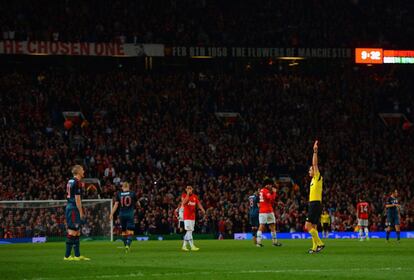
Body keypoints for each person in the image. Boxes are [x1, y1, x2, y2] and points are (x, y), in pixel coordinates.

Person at [64, 165, 90, 261]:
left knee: (77, 231)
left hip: (70, 207)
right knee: (72, 231)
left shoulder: (70, 181)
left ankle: (77, 255)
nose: (84, 171)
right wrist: (81, 211)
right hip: (74, 209)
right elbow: (77, 199)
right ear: (78, 171)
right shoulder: (77, 182)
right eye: (82, 169)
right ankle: (67, 256)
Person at [305, 140, 325, 254]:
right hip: (315, 203)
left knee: (307, 226)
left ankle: (320, 243)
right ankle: (314, 247)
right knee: (314, 226)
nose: (309, 171)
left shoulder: (317, 177)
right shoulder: (313, 180)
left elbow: (315, 164)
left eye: (310, 169)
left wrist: (315, 152)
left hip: (315, 203)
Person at [110, 182, 138, 253]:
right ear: (128, 187)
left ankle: (125, 245)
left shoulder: (119, 194)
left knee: (123, 230)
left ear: (122, 187)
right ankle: (128, 245)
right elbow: (137, 203)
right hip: (130, 214)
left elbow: (116, 205)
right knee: (130, 230)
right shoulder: (132, 193)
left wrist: (111, 213)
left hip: (121, 214)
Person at [256, 178, 282, 247]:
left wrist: (277, 203)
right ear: (267, 185)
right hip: (266, 211)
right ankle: (260, 243)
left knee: (272, 226)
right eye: (270, 185)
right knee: (262, 226)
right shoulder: (265, 191)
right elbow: (271, 198)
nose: (271, 186)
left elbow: (268, 201)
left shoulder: (262, 191)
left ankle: (273, 242)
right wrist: (274, 192)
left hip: (264, 211)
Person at [181, 186, 206, 251]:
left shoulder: (195, 196)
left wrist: (202, 209)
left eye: (190, 189)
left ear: (192, 189)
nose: (189, 190)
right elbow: (184, 202)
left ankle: (184, 246)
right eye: (188, 189)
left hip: (193, 217)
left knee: (190, 231)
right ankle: (192, 246)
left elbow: (198, 203)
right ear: (186, 189)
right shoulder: (184, 195)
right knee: (189, 231)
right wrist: (188, 194)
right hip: (187, 216)